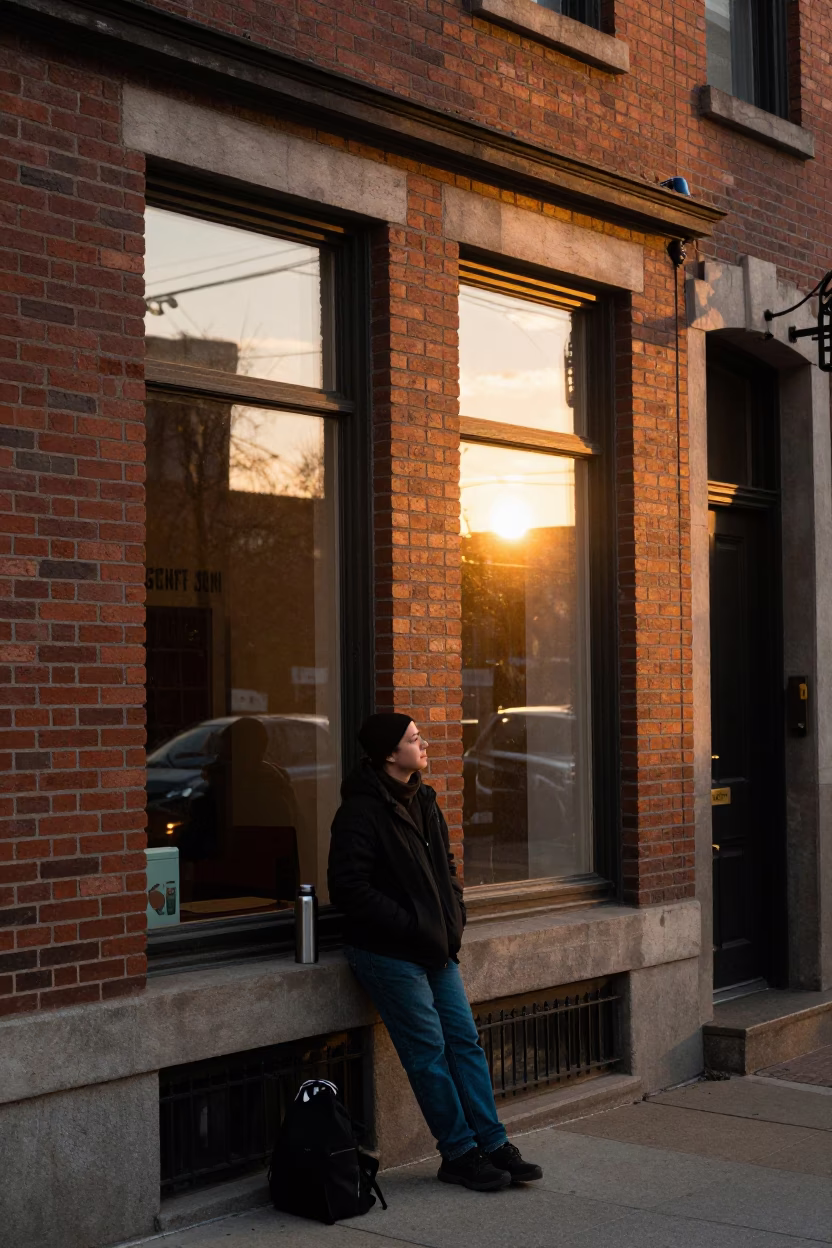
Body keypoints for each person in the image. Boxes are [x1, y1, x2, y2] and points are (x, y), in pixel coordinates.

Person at [328, 712, 543, 1192]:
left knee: (464, 1043)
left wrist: (452, 915)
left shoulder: (424, 798)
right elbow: (349, 889)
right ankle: (459, 1154)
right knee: (428, 1054)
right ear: (389, 753)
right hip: (387, 953)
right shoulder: (359, 813)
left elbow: (445, 867)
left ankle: (492, 1141)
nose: (423, 744)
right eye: (413, 739)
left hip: (434, 947)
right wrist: (414, 926)